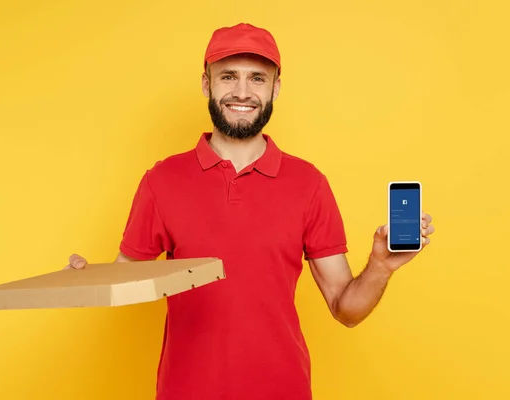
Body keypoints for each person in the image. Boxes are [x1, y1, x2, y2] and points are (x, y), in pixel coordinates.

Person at [65, 23, 434, 400]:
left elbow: (346, 310)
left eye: (257, 78)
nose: (242, 92)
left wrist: (380, 265)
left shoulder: (309, 184)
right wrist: (85, 280)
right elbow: (127, 282)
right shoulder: (161, 180)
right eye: (229, 76)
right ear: (207, 84)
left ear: (275, 88)